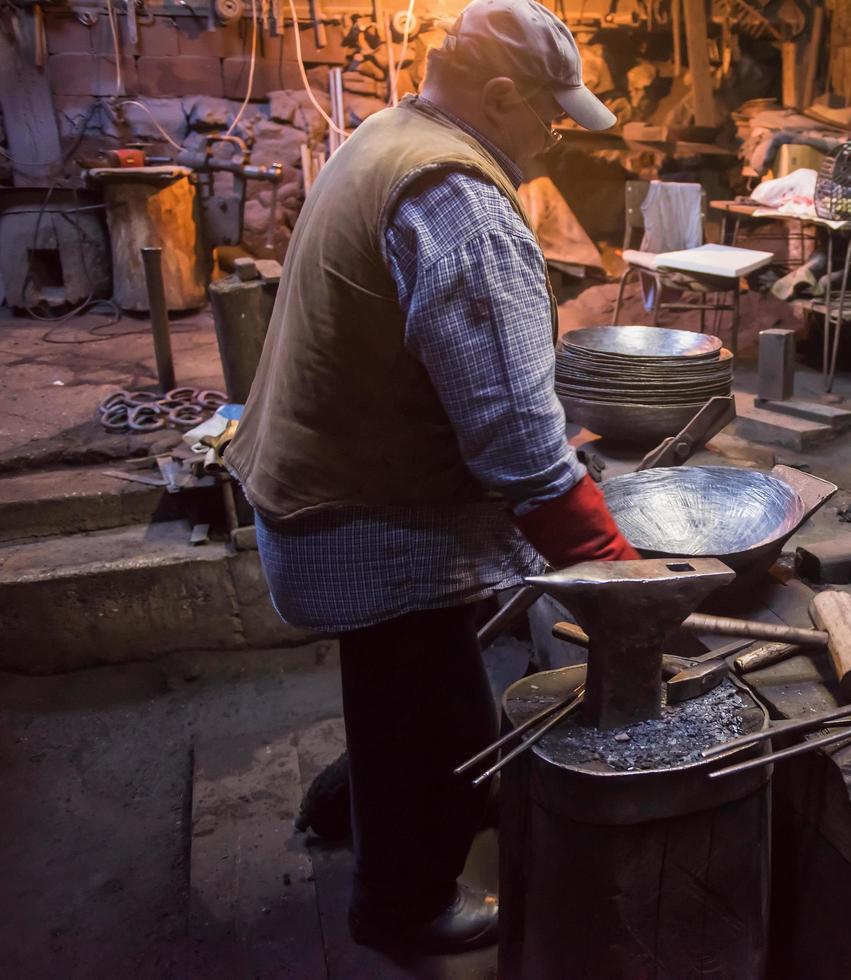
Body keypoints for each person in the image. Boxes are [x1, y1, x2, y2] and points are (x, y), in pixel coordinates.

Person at [224, 0, 638, 954]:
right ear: (500, 96)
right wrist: (615, 573)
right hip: (363, 519)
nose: (554, 138)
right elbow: (517, 450)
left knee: (399, 689)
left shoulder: (391, 131)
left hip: (316, 486)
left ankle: (349, 810)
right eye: (550, 116)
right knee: (436, 707)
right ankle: (401, 906)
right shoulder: (460, 204)